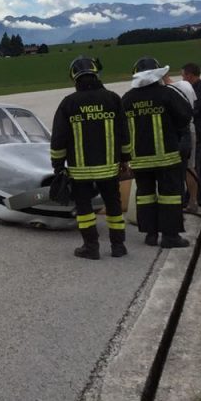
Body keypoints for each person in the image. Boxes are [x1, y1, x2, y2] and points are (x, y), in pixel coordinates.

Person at [49, 56, 131, 260]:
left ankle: (91, 247)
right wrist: (125, 159)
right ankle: (118, 246)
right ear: (96, 74)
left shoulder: (68, 103)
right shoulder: (112, 99)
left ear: (74, 78)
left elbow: (58, 138)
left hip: (80, 170)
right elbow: (124, 133)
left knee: (84, 209)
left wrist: (58, 166)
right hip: (110, 168)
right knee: (113, 205)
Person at [121, 57, 193, 248]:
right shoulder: (167, 94)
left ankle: (150, 234)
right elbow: (185, 116)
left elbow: (120, 129)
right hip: (167, 158)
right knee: (169, 196)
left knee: (145, 196)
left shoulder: (127, 99)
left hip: (140, 161)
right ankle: (170, 237)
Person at [165, 71, 199, 212]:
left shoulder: (168, 91)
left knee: (176, 170)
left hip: (178, 133)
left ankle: (176, 206)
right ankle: (193, 202)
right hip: (191, 129)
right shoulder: (186, 85)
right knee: (189, 168)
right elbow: (195, 105)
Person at [182, 62, 201, 212]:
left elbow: (194, 111)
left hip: (198, 133)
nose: (182, 78)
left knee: (195, 168)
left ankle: (198, 197)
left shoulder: (199, 90)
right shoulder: (199, 88)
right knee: (199, 167)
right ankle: (199, 196)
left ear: (189, 75)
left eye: (183, 75)